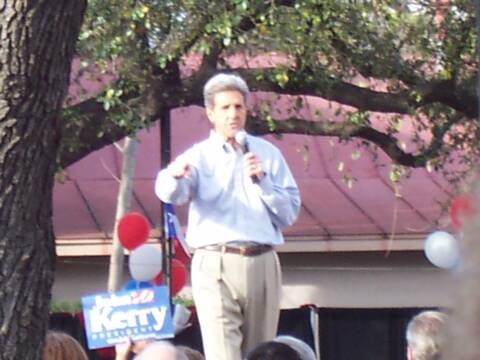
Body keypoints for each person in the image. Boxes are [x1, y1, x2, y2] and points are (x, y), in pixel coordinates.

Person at [155, 73, 301, 360]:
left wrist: (264, 182)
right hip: (215, 261)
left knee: (262, 353)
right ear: (210, 113)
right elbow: (171, 193)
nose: (233, 114)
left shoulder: (267, 154)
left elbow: (290, 213)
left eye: (238, 107)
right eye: (225, 108)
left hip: (262, 260)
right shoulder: (199, 156)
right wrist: (173, 176)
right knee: (223, 354)